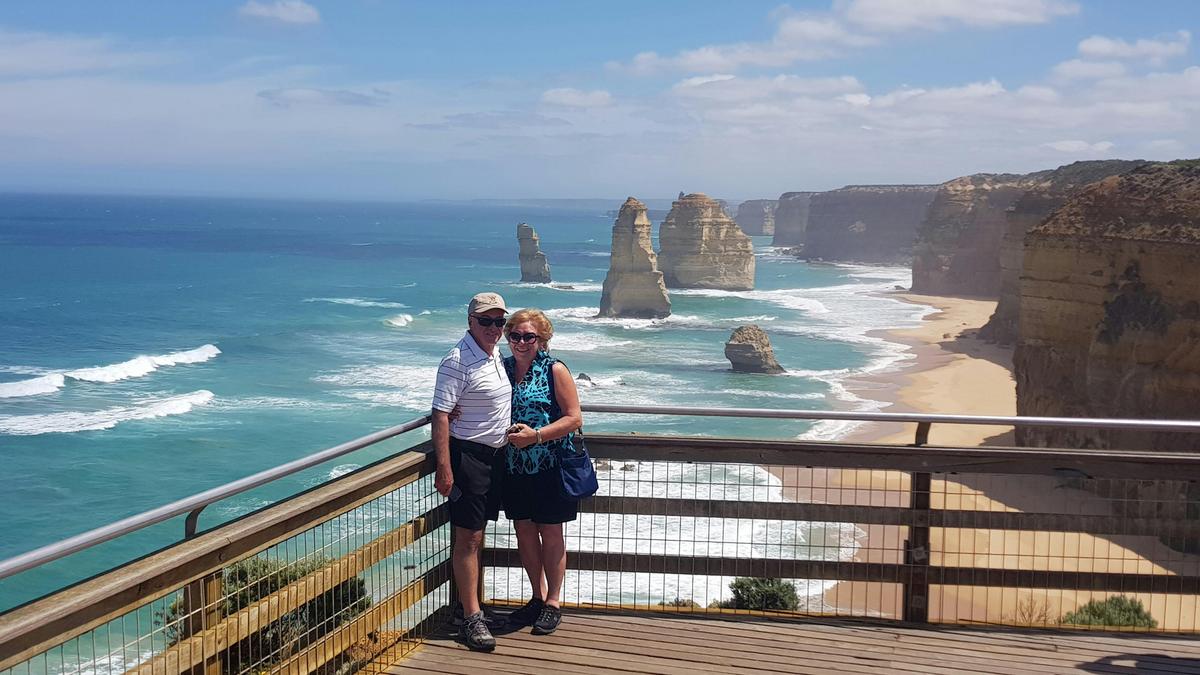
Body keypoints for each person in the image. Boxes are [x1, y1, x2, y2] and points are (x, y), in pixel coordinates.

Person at [431, 291, 513, 652]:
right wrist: (445, 469)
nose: (494, 328)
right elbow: (440, 415)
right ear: (470, 322)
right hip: (469, 460)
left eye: (500, 322)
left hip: (495, 458)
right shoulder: (456, 361)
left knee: (478, 536)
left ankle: (471, 607)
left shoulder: (494, 355)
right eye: (486, 321)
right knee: (468, 539)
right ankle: (471, 618)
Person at [499, 308, 583, 635]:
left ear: (542, 338)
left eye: (528, 336)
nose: (521, 342)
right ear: (508, 338)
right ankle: (535, 596)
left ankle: (553, 601)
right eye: (515, 336)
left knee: (550, 532)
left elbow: (574, 418)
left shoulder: (554, 369)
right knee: (523, 531)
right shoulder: (502, 369)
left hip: (549, 465)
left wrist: (535, 436)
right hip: (514, 467)